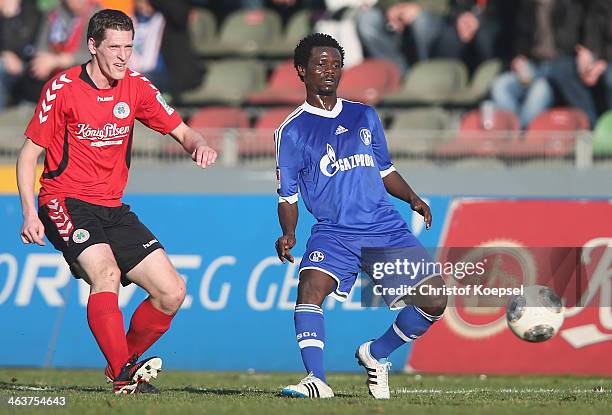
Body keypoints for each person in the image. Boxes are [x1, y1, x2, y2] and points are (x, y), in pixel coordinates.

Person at [16, 9, 217, 394]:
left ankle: (120, 366)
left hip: (112, 207)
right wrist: (29, 212)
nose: (124, 56)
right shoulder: (63, 89)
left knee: (171, 292)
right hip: (65, 200)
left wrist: (200, 146)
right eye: (115, 47)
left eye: (129, 46)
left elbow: (183, 130)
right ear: (93, 46)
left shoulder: (137, 87)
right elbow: (29, 155)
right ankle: (125, 374)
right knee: (105, 273)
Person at [275, 33, 446, 399]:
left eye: (336, 64)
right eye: (321, 64)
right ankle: (316, 380)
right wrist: (289, 233)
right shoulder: (291, 131)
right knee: (310, 289)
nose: (330, 71)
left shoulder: (364, 114)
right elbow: (287, 196)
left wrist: (413, 197)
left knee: (434, 300)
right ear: (301, 71)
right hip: (335, 231)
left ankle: (376, 353)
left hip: (383, 227)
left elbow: (385, 170)